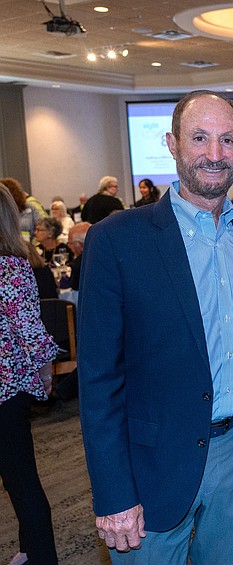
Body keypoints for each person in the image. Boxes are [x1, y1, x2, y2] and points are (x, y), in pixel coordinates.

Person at [77, 90, 233, 564]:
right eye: (200, 138)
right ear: (172, 143)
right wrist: (112, 491)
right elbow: (98, 378)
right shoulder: (118, 239)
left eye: (228, 140)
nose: (215, 154)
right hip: (151, 462)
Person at [0, 182, 60, 565]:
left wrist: (44, 369)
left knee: (19, 479)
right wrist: (46, 373)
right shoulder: (13, 267)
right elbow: (29, 328)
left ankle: (36, 555)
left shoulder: (11, 268)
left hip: (7, 391)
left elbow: (28, 329)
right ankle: (34, 553)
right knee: (19, 479)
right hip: (9, 391)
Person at [66, 222, 91, 292]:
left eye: (70, 243)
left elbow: (74, 288)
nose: (69, 246)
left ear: (82, 245)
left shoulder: (78, 265)